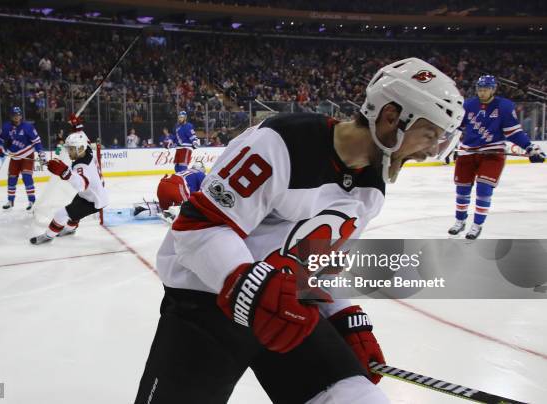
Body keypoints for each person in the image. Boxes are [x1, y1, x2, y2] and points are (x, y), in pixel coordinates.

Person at [135, 58, 464, 403]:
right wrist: (254, 287)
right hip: (209, 303)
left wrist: (345, 316)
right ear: (392, 118)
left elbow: (320, 266)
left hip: (288, 308)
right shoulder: (282, 142)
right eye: (430, 134)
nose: (432, 150)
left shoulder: (372, 187)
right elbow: (198, 227)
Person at [448, 75, 546, 240]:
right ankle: (460, 221)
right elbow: (456, 128)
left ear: (493, 89)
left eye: (485, 89)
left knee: (484, 190)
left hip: (492, 154)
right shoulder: (468, 105)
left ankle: (477, 225)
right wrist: (447, 148)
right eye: (479, 89)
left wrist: (530, 147)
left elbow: (514, 133)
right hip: (467, 152)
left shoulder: (504, 106)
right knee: (462, 190)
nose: (482, 92)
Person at [30, 130, 108, 244]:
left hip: (93, 201)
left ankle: (48, 236)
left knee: (61, 214)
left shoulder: (82, 166)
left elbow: (81, 185)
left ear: (80, 148)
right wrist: (77, 126)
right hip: (92, 194)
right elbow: (84, 137)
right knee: (74, 210)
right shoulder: (88, 150)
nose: (69, 152)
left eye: (71, 149)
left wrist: (65, 172)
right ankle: (71, 229)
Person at [0, 107, 46, 211]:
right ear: (11, 116)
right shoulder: (6, 127)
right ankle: (10, 201)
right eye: (14, 115)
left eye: (18, 115)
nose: (17, 117)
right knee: (12, 178)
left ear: (21, 115)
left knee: (27, 177)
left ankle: (32, 201)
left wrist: (41, 154)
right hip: (14, 157)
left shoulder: (28, 127)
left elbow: (37, 141)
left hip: (27, 155)